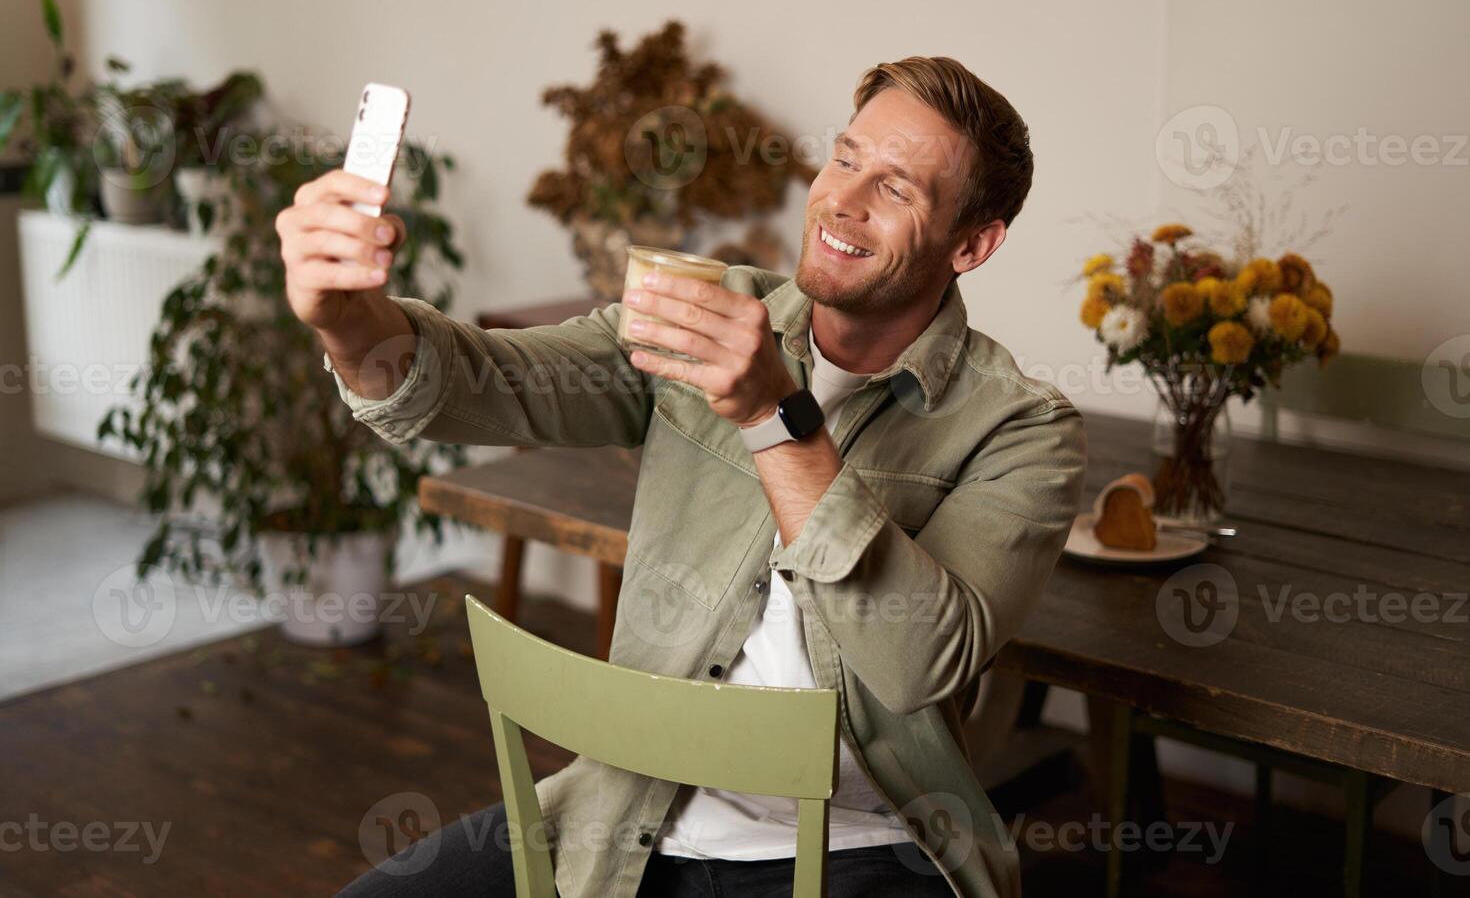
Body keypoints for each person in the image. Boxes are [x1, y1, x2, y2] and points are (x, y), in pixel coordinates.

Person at [277, 56, 1087, 898]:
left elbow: (920, 660)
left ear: (973, 243)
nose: (843, 201)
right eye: (845, 159)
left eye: (897, 189)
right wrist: (346, 322)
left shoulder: (1022, 427)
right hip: (626, 807)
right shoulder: (711, 308)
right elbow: (482, 382)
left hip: (863, 844)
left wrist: (775, 419)